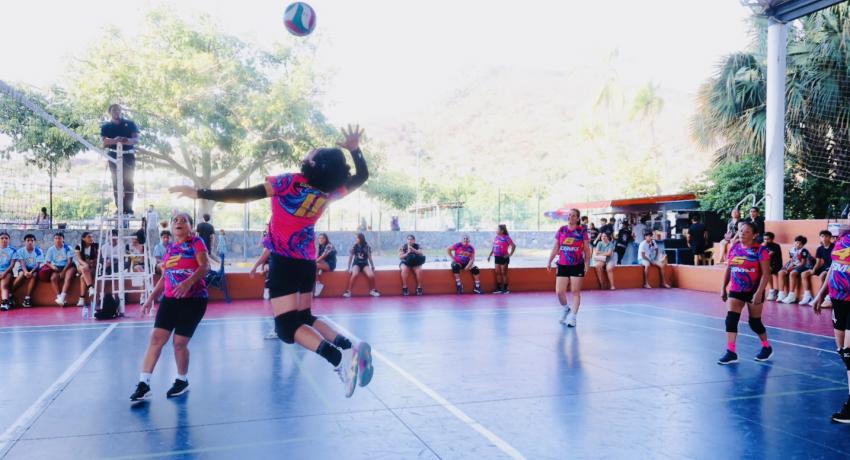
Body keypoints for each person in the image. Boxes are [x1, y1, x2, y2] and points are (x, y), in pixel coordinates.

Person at [170, 125, 373, 397]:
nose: (309, 152)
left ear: (313, 163)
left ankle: (340, 360)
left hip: (285, 262)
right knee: (304, 317)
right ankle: (351, 346)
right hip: (306, 262)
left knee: (287, 328)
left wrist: (200, 193)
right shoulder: (329, 191)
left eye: (313, 152)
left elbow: (245, 195)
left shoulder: (288, 182)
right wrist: (355, 151)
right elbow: (362, 176)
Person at [130, 212, 209, 402]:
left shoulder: (196, 243)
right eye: (175, 220)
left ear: (190, 226)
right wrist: (150, 298)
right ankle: (143, 384)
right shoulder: (170, 249)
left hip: (194, 300)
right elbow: (165, 277)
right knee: (156, 338)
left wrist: (188, 283)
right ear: (172, 227)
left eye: (184, 220)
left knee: (179, 343)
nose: (178, 222)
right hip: (170, 299)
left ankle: (182, 380)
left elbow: (205, 267)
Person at [717, 221, 773, 364]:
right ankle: (731, 352)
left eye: (747, 231)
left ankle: (766, 347)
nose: (742, 233)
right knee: (731, 320)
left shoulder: (760, 250)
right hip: (736, 290)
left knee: (754, 323)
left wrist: (759, 292)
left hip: (754, 290)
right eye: (741, 230)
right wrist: (723, 287)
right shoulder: (735, 248)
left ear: (754, 235)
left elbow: (766, 274)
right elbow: (729, 268)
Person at [812, 215, 850, 422]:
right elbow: (834, 267)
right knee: (843, 352)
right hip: (838, 299)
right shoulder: (842, 239)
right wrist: (821, 294)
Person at [547, 208, 591, 327]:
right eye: (569, 215)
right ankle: (566, 308)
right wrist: (549, 261)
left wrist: (587, 264)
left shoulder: (582, 231)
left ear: (577, 218)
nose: (570, 217)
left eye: (573, 215)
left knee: (575, 291)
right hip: (563, 264)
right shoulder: (562, 230)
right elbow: (556, 247)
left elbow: (587, 250)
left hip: (577, 265)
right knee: (559, 292)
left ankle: (573, 317)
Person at [101, 104, 140, 215]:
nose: (116, 112)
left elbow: (136, 139)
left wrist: (126, 140)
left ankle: (128, 209)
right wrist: (116, 140)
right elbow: (104, 141)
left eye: (118, 110)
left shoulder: (130, 124)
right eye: (114, 110)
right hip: (113, 155)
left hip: (128, 155)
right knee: (116, 182)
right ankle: (119, 208)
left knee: (129, 182)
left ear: (121, 111)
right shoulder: (106, 126)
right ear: (110, 113)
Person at [777, 235, 814, 304]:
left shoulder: (804, 251)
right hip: (795, 264)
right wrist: (788, 267)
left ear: (803, 245)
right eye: (797, 242)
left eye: (800, 244)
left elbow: (803, 263)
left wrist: (792, 268)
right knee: (781, 272)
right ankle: (781, 294)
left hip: (806, 266)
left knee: (792, 273)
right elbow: (792, 260)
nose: (798, 244)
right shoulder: (792, 250)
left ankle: (791, 295)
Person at [43, 232, 77, 306]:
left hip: (69, 266)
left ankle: (62, 297)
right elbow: (47, 262)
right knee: (53, 278)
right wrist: (53, 267)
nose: (57, 240)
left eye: (59, 238)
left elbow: (70, 261)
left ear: (63, 239)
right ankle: (59, 297)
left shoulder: (68, 248)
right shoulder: (51, 249)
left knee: (68, 277)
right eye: (56, 238)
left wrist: (63, 272)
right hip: (57, 267)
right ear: (54, 240)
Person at [803, 230, 834, 306]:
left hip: (832, 267)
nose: (824, 238)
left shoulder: (834, 247)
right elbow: (818, 263)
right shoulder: (819, 249)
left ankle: (819, 298)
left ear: (830, 238)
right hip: (824, 266)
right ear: (820, 238)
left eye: (826, 236)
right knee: (804, 274)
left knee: (823, 275)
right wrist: (813, 270)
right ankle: (807, 296)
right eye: (822, 236)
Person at [344, 233, 380, 298]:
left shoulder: (367, 246)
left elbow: (370, 257)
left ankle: (373, 290)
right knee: (354, 274)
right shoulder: (355, 246)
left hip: (365, 264)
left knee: (371, 275)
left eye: (357, 238)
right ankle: (349, 291)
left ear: (361, 239)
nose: (356, 239)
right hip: (356, 264)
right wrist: (348, 267)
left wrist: (372, 266)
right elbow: (351, 257)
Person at [12, 234, 43, 308]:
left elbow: (37, 265)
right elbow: (22, 263)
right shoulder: (20, 251)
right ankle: (10, 292)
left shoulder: (38, 251)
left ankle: (27, 298)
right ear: (24, 242)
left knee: (34, 275)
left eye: (32, 240)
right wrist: (25, 272)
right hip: (24, 268)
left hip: (34, 269)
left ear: (34, 242)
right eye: (28, 240)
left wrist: (31, 272)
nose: (30, 242)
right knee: (21, 275)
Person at [487, 224, 516, 294]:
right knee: (497, 272)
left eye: (497, 229)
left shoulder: (507, 238)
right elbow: (494, 247)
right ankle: (499, 288)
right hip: (497, 257)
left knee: (503, 273)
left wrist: (510, 254)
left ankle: (506, 289)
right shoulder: (496, 237)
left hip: (504, 257)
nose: (496, 230)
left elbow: (513, 245)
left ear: (502, 231)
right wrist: (490, 255)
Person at [74, 232, 99, 307]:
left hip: (92, 267)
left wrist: (92, 262)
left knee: (82, 277)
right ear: (83, 238)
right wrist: (85, 264)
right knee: (84, 268)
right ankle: (90, 287)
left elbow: (98, 258)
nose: (91, 238)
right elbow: (79, 259)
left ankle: (81, 299)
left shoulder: (95, 246)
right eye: (89, 237)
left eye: (91, 237)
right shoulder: (78, 246)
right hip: (81, 266)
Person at [762, 232, 783, 301]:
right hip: (767, 264)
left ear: (772, 239)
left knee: (767, 270)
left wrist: (762, 248)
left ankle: (772, 291)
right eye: (764, 239)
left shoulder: (776, 246)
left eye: (767, 239)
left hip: (776, 264)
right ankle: (766, 290)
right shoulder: (762, 245)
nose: (766, 241)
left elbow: (767, 255)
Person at [0, 232, 17, 310]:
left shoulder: (13, 250)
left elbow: (12, 265)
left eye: (6, 238)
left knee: (4, 285)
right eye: (2, 238)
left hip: (7, 271)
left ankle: (4, 303)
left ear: (9, 240)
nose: (4, 240)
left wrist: (4, 273)